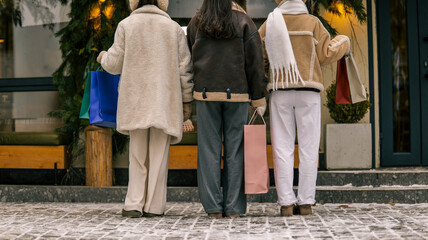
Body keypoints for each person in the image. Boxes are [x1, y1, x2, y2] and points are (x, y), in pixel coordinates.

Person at [97, 0, 194, 218]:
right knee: (159, 157)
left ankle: (133, 203)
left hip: (136, 101)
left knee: (137, 155)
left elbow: (113, 63)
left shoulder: (126, 25)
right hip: (164, 101)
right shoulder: (173, 29)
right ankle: (154, 206)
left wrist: (102, 56)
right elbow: (185, 70)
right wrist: (187, 102)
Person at [259, 0, 350, 216]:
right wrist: (343, 41)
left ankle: (286, 204)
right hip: (308, 90)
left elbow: (259, 56)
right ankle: (306, 202)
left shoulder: (270, 22)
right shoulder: (312, 22)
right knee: (309, 147)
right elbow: (327, 53)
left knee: (282, 147)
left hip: (280, 89)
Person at [187, 0, 267, 219]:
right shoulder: (244, 22)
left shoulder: (197, 22)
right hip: (238, 94)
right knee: (236, 151)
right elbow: (255, 63)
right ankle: (234, 208)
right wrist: (259, 97)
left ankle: (213, 208)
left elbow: (191, 56)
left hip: (205, 94)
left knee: (208, 151)